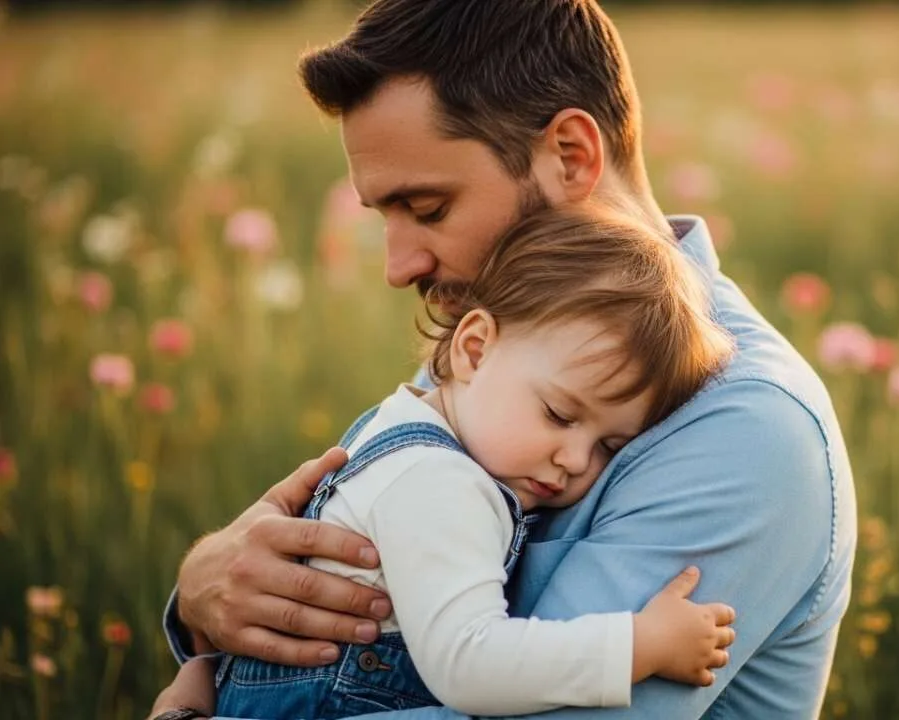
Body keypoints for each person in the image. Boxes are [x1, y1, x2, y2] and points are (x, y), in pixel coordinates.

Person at [151, 1, 857, 718]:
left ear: (570, 156)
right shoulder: (507, 337)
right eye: (383, 216)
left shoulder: (745, 430)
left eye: (427, 208)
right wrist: (205, 596)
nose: (398, 267)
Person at [213, 205, 738, 719]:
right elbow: (469, 664)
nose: (577, 460)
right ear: (475, 350)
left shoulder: (406, 427)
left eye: (610, 446)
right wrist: (637, 647)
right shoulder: (439, 482)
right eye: (558, 414)